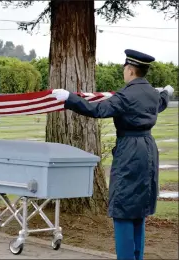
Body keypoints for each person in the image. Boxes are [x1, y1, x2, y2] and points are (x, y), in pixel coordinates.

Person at [52, 49, 174, 260]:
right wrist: (167, 93)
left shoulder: (125, 95)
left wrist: (69, 98)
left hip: (130, 149)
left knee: (123, 208)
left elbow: (97, 110)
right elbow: (161, 104)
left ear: (130, 70)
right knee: (139, 211)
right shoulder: (153, 94)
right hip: (148, 150)